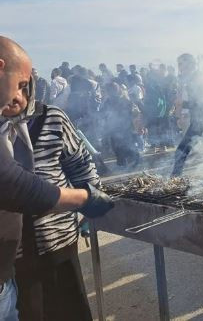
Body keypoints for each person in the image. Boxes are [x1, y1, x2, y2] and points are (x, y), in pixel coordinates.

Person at [0, 36, 113, 320]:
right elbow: (15, 186)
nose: (19, 98)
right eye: (18, 86)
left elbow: (81, 167)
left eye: (26, 88)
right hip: (13, 258)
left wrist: (89, 207)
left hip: (59, 243)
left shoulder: (53, 118)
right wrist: (82, 199)